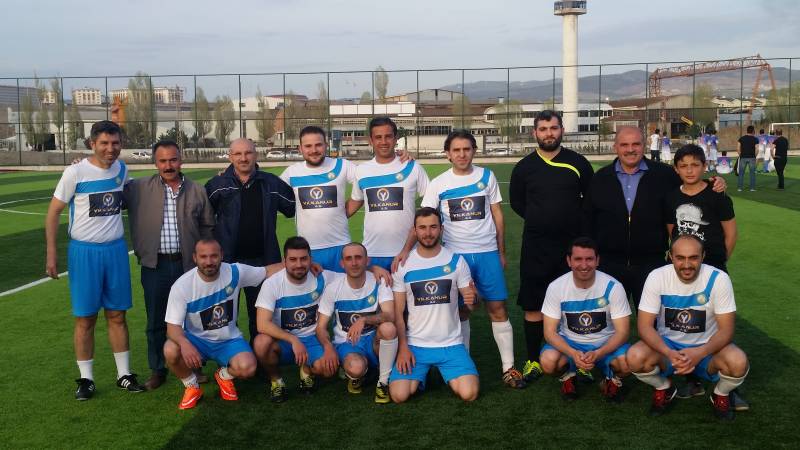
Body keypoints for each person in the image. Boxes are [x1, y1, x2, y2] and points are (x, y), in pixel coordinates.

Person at [45, 120, 146, 400]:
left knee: (117, 315)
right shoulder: (75, 172)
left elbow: (136, 195)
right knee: (85, 318)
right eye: (104, 143)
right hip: (84, 253)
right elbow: (53, 213)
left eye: (115, 143)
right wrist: (51, 253)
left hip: (115, 251)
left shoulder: (122, 170)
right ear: (92, 144)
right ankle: (86, 380)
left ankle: (124, 375)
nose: (110, 148)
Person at [421, 129, 525, 388]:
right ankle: (462, 367)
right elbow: (426, 220)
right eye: (456, 150)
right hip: (456, 258)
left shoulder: (487, 176)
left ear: (474, 151)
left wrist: (501, 252)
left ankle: (508, 367)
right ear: (447, 154)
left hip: (487, 254)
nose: (462, 154)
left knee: (497, 308)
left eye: (466, 149)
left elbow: (497, 215)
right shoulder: (438, 184)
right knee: (461, 311)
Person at [583, 126, 726, 309]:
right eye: (624, 145)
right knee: (607, 319)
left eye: (636, 144)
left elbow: (691, 186)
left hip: (651, 265)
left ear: (645, 145)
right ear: (615, 147)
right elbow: (587, 219)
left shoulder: (664, 174)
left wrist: (713, 182)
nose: (630, 149)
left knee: (654, 319)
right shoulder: (600, 178)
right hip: (609, 264)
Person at [509, 110, 593, 383]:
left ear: (561, 130)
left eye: (553, 128)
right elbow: (518, 203)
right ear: (535, 132)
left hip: (571, 247)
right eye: (543, 129)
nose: (549, 133)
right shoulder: (524, 167)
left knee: (574, 303)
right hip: (536, 246)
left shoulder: (578, 163)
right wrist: (541, 220)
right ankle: (533, 360)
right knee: (533, 304)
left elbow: (589, 201)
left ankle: (580, 360)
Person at [626, 235, 749, 420]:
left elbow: (727, 330)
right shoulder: (657, 276)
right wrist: (668, 352)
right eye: (680, 258)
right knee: (635, 356)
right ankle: (664, 387)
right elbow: (644, 326)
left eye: (693, 257)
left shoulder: (719, 278)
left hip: (707, 349)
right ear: (670, 256)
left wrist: (700, 353)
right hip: (669, 348)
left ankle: (720, 394)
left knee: (738, 361)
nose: (686, 264)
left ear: (703, 256)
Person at [124, 140, 215, 390]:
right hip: (155, 266)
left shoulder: (197, 190)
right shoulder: (138, 188)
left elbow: (207, 227)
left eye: (173, 159)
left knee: (193, 319)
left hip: (189, 267)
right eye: (162, 161)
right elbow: (109, 192)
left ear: (180, 160)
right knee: (156, 320)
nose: (168, 165)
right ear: (155, 163)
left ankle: (195, 365)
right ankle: (158, 369)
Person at [163, 239, 282, 409]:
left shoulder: (234, 272)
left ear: (221, 256)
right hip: (197, 341)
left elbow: (267, 271)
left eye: (214, 256)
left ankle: (223, 375)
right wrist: (184, 343)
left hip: (228, 340)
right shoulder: (182, 286)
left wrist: (300, 265)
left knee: (248, 368)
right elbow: (172, 327)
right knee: (170, 349)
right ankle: (192, 386)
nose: (209, 261)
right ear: (195, 258)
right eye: (203, 257)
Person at [205, 138, 295, 345]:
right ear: (230, 157)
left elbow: (292, 207)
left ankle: (261, 358)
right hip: (227, 264)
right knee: (225, 318)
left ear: (256, 155)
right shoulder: (217, 184)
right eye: (238, 154)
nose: (243, 158)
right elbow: (203, 219)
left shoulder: (271, 183)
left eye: (248, 153)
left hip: (263, 264)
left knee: (261, 318)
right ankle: (232, 358)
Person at [389, 207, 479, 403]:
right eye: (422, 228)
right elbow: (398, 313)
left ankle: (440, 371)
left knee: (469, 394)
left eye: (433, 227)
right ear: (415, 231)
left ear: (441, 229)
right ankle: (426, 373)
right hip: (415, 345)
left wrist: (473, 300)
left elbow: (471, 306)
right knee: (398, 395)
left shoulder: (456, 261)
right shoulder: (403, 265)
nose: (428, 233)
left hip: (451, 344)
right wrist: (403, 348)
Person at [540, 237, 631, 402]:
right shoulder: (556, 287)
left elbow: (623, 332)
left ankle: (611, 380)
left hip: (605, 344)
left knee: (627, 363)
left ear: (597, 260)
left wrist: (599, 353)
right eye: (578, 259)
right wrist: (573, 353)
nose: (584, 265)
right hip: (571, 344)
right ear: (569, 261)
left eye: (589, 259)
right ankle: (569, 376)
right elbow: (549, 332)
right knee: (548, 362)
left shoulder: (613, 286)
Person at [252, 236, 339, 402]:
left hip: (313, 339)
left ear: (310, 259)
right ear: (284, 261)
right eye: (293, 259)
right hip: (284, 341)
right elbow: (262, 324)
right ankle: (276, 381)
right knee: (261, 342)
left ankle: (306, 371)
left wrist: (374, 269)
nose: (299, 264)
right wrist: (293, 340)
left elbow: (353, 273)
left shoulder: (322, 277)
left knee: (328, 369)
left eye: (303, 259)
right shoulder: (272, 283)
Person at [316, 242, 398, 403]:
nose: (354, 263)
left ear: (367, 261)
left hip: (373, 340)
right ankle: (357, 374)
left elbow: (390, 315)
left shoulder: (379, 281)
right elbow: (320, 327)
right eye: (349, 259)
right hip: (347, 343)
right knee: (356, 368)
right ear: (342, 263)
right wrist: (328, 347)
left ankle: (382, 382)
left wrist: (364, 319)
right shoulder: (333, 288)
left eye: (358, 257)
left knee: (388, 328)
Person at [349, 117, 429, 271]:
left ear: (396, 138)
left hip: (408, 252)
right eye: (378, 137)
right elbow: (353, 203)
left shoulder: (412, 167)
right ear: (370, 140)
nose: (384, 142)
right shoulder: (362, 171)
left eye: (388, 136)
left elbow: (431, 206)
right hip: (372, 253)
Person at [279, 126, 357, 272]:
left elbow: (366, 181)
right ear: (300, 148)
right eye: (308, 146)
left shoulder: (342, 165)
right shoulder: (292, 172)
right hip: (307, 250)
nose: (313, 150)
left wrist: (346, 211)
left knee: (341, 286)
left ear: (326, 145)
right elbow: (271, 191)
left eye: (318, 145)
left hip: (340, 246)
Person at [667, 145, 737, 273]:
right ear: (676, 169)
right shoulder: (671, 198)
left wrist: (721, 260)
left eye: (695, 165)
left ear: (704, 166)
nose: (689, 171)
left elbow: (731, 233)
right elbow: (673, 232)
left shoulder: (718, 195)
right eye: (683, 166)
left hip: (712, 265)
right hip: (680, 268)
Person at [737, 126, 758, 191]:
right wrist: (755, 156)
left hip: (743, 157)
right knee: (752, 174)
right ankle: (752, 188)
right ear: (753, 131)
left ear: (747, 130)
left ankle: (740, 188)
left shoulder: (741, 138)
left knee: (741, 173)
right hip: (752, 157)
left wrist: (740, 155)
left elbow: (738, 148)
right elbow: (757, 149)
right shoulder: (755, 139)